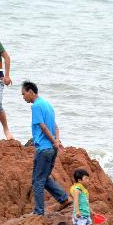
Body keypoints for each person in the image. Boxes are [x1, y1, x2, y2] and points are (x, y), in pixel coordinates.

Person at [21, 81, 70, 216]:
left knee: (37, 181)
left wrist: (54, 141)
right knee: (44, 177)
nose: (23, 97)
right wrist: (57, 141)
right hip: (52, 149)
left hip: (44, 148)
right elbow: (55, 126)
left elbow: (43, 126)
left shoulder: (36, 106)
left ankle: (38, 212)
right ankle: (64, 199)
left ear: (31, 92)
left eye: (23, 94)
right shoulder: (47, 105)